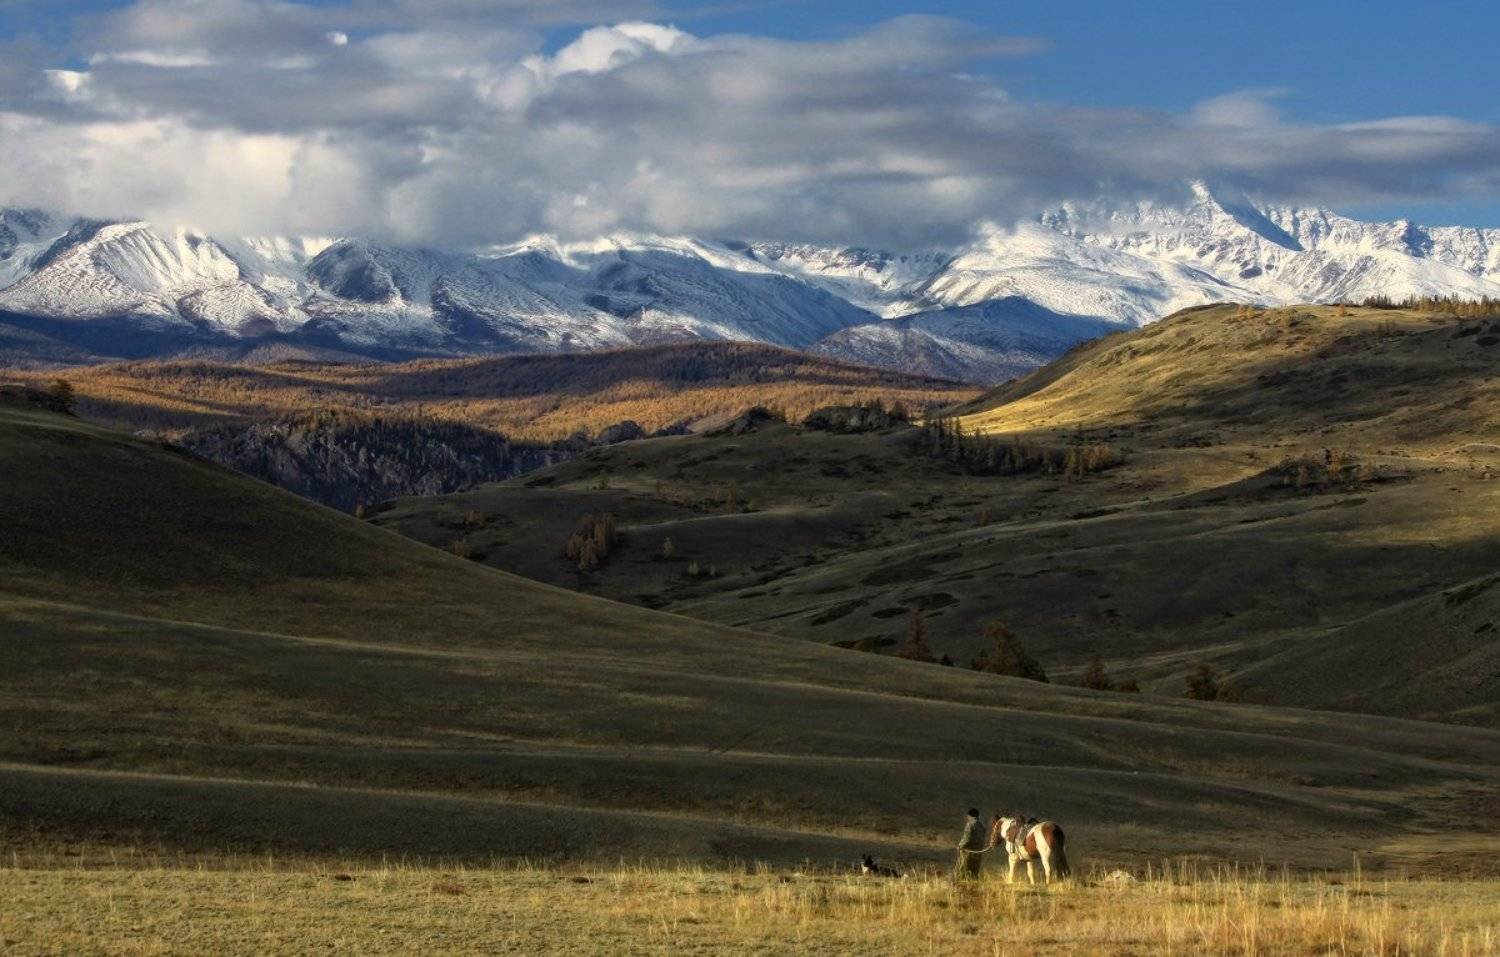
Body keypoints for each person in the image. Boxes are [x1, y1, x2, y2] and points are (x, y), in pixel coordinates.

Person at [955, 807, 986, 880]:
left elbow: (966, 838)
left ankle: (960, 886)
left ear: (970, 816)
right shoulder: (982, 826)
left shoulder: (969, 825)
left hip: (968, 852)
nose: (967, 818)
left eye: (968, 816)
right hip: (978, 852)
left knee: (962, 870)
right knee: (974, 873)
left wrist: (959, 846)